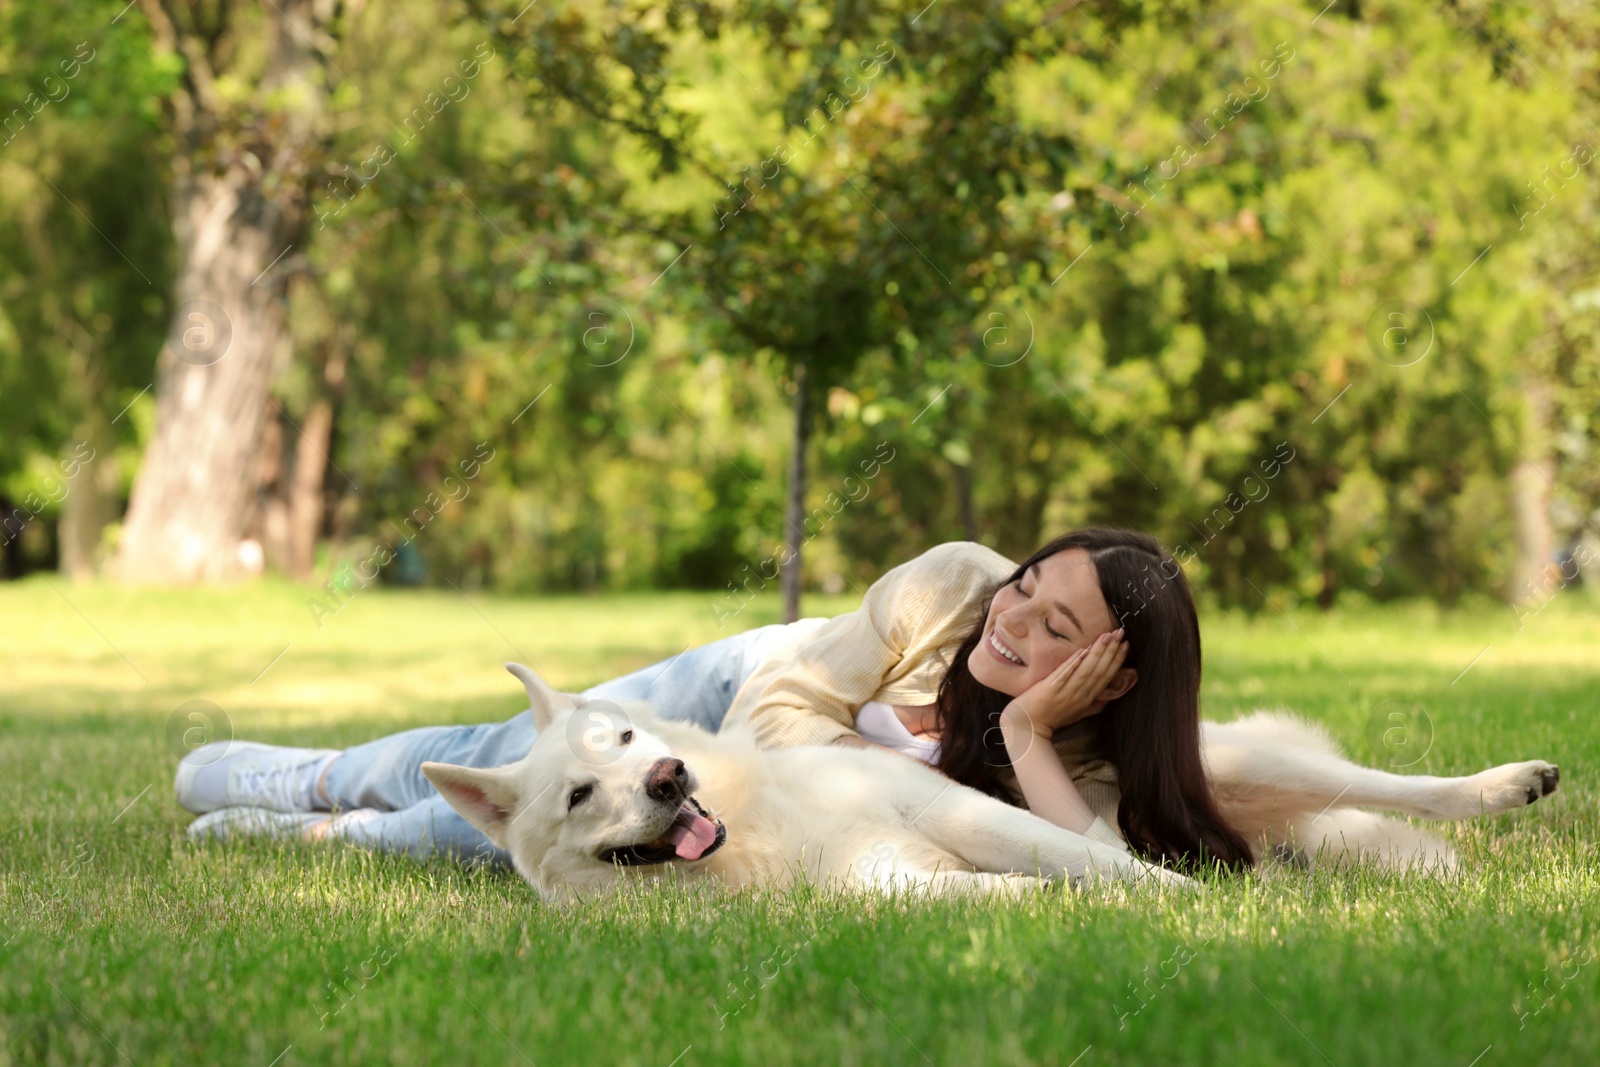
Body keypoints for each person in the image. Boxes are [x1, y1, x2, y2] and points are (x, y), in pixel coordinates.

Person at [177, 529, 1254, 874]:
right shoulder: (956, 580)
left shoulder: (1093, 754)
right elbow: (782, 710)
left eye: (1056, 629)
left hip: (749, 794)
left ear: (1114, 675)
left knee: (488, 831)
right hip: (729, 697)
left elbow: (1091, 860)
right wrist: (875, 780)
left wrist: (1023, 731)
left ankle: (327, 832)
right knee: (508, 755)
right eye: (1028, 585)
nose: (1014, 620)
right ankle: (312, 778)